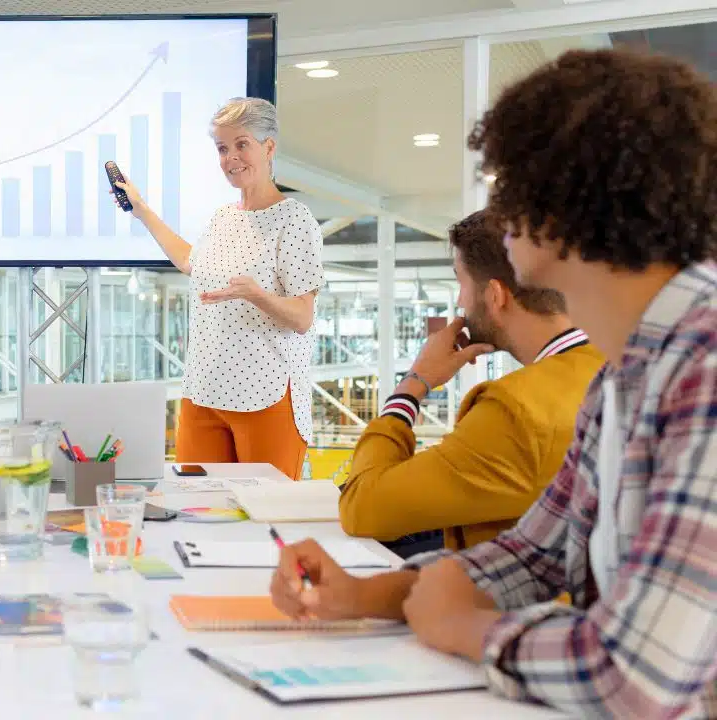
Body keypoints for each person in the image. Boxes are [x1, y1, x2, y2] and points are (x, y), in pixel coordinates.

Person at [271, 49, 717, 717]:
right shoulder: (624, 376)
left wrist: (470, 631)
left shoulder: (704, 365)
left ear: (564, 207)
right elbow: (532, 559)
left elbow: (637, 679)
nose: (497, 208)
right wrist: (367, 597)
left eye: (509, 184)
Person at [338, 211, 603, 552]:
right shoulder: (612, 363)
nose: (460, 302)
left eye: (461, 283)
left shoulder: (518, 408)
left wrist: (413, 385)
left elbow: (362, 506)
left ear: (495, 295)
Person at [116, 97, 322, 480]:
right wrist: (141, 209)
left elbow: (303, 317)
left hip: (265, 395)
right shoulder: (222, 217)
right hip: (203, 392)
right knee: (197, 512)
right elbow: (190, 262)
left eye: (241, 144)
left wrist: (256, 293)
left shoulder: (295, 220)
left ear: (269, 147)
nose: (231, 158)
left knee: (264, 519)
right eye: (223, 148)